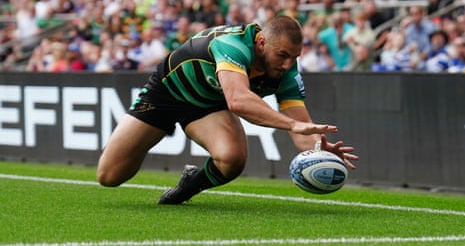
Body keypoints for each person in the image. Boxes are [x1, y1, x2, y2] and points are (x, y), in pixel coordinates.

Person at [96, 16, 358, 205]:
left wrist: (317, 148)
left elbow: (303, 129)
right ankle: (151, 133)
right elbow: (238, 100)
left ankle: (189, 185)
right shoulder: (232, 45)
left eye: (295, 57)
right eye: (282, 55)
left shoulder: (287, 73)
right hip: (166, 94)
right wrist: (290, 125)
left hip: (207, 106)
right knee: (109, 176)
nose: (288, 64)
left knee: (232, 159)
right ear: (261, 42)